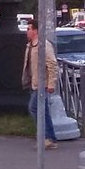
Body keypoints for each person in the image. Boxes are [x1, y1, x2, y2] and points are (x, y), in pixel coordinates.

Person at [22, 22, 60, 150]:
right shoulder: (30, 45)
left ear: (36, 31)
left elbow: (52, 64)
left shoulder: (44, 45)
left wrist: (51, 84)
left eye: (28, 29)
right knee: (43, 110)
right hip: (34, 83)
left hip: (42, 84)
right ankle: (48, 137)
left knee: (33, 108)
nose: (26, 31)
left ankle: (47, 136)